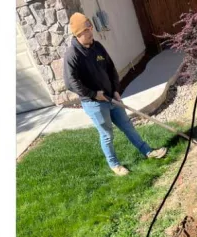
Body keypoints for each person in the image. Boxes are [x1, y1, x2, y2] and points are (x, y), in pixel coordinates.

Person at [63, 12, 166, 176]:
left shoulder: (97, 47)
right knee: (107, 135)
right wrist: (93, 94)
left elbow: (111, 68)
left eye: (90, 29)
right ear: (78, 34)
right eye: (87, 31)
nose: (91, 33)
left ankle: (147, 151)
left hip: (111, 97)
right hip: (95, 103)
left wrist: (116, 90)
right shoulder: (72, 55)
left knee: (128, 126)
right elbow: (70, 83)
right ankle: (114, 164)